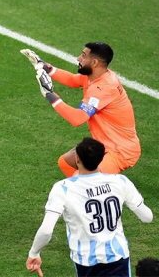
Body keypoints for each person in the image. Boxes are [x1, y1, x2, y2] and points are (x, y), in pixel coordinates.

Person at [26, 137, 153, 277]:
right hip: (118, 257)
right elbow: (147, 217)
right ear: (101, 158)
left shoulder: (63, 188)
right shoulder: (120, 181)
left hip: (85, 261)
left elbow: (46, 231)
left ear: (77, 159)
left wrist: (34, 253)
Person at [21, 43, 141, 176]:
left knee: (89, 181)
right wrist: (44, 66)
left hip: (120, 151)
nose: (78, 58)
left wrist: (49, 94)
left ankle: (103, 192)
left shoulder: (103, 88)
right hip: (102, 144)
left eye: (83, 56)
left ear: (94, 62)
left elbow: (77, 119)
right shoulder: (95, 75)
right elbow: (72, 79)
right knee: (66, 163)